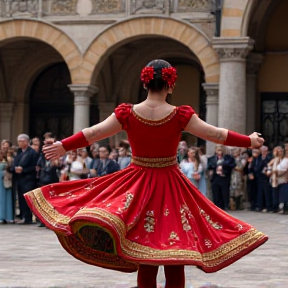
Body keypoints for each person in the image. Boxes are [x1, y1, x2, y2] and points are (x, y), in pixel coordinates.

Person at [24, 59, 267, 288]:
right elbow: (216, 135)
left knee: (146, 253)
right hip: (172, 185)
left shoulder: (127, 114)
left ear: (144, 83)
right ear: (170, 86)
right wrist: (250, 141)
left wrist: (63, 145)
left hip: (137, 184)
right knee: (175, 251)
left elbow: (94, 133)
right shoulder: (180, 115)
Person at [13, 134, 38, 224]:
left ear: (26, 142)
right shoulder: (19, 152)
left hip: (28, 179)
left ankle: (28, 217)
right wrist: (15, 168)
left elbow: (35, 167)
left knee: (27, 198)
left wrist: (23, 170)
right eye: (19, 141)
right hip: (19, 178)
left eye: (21, 141)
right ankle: (22, 215)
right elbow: (15, 162)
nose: (19, 143)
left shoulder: (32, 152)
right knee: (20, 198)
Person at [208, 145, 236, 211]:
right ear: (216, 151)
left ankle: (226, 206)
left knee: (225, 192)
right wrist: (215, 167)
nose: (220, 151)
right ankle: (217, 207)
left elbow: (232, 165)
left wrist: (223, 164)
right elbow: (209, 166)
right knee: (216, 192)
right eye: (218, 150)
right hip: (215, 177)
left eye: (221, 150)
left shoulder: (228, 158)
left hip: (224, 177)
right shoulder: (212, 158)